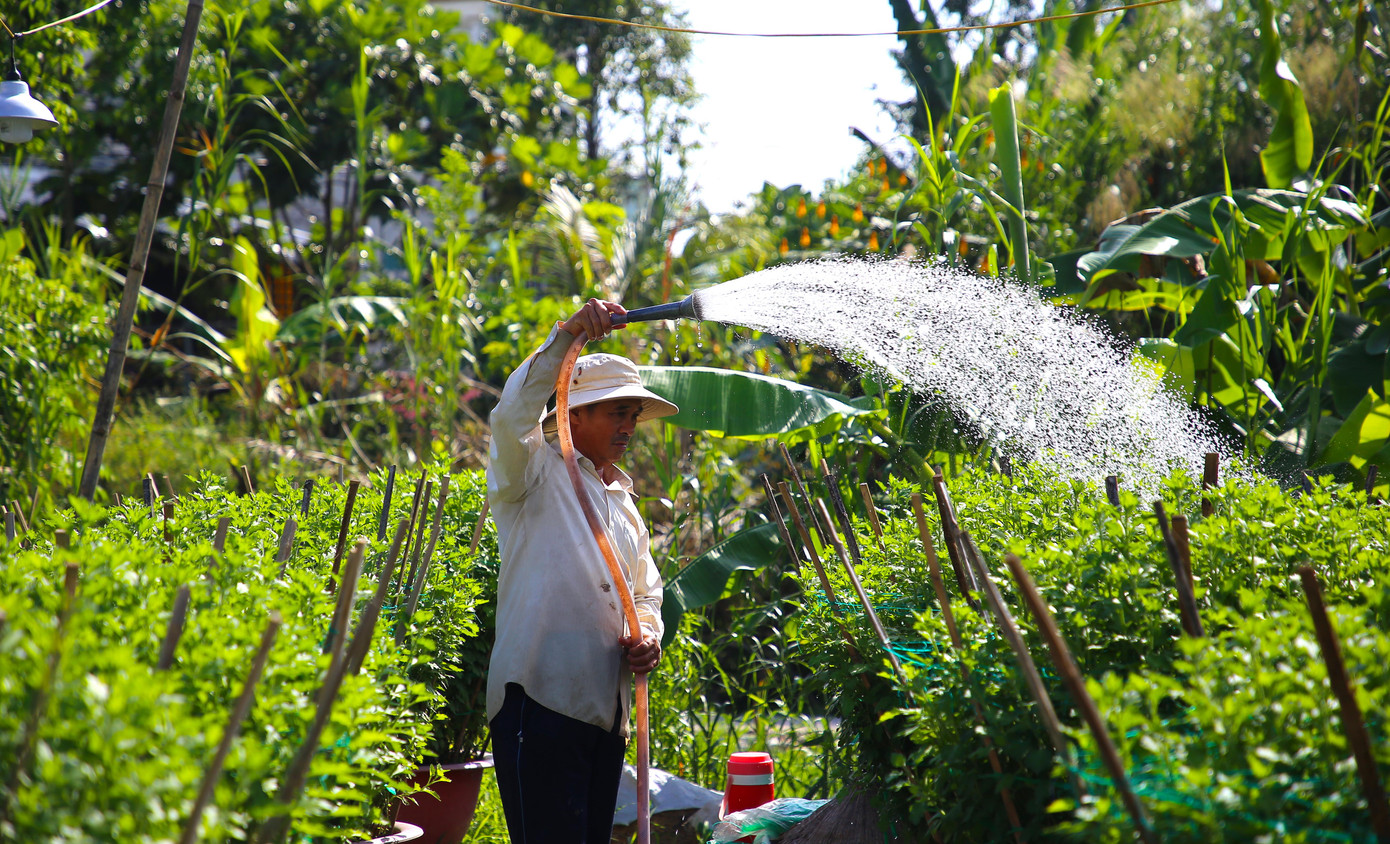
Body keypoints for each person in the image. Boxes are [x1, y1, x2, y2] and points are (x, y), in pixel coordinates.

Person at [486, 298, 675, 843]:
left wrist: (649, 636)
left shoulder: (623, 502)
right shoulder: (532, 477)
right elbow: (511, 414)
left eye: (633, 413)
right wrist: (567, 338)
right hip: (539, 705)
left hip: (603, 715)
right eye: (617, 411)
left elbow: (646, 594)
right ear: (571, 415)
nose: (629, 425)